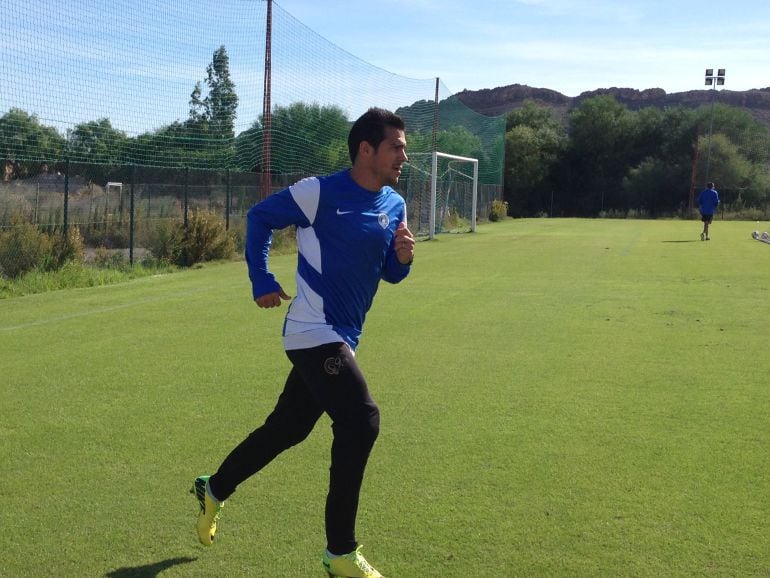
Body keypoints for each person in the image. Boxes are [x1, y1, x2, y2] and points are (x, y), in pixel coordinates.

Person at [191, 107, 414, 578]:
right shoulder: (319, 192)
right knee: (362, 421)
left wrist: (403, 259)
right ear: (366, 149)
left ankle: (214, 488)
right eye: (396, 146)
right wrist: (260, 279)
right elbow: (260, 217)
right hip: (311, 331)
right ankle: (340, 554)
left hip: (344, 336)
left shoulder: (395, 204)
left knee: (287, 429)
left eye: (404, 148)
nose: (403, 155)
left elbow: (390, 274)